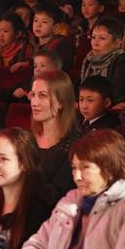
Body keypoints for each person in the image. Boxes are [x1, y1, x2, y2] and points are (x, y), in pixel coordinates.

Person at [27, 70, 80, 201]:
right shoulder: (27, 139)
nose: (34, 102)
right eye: (33, 95)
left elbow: (56, 195)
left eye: (43, 96)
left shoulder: (74, 146)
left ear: (61, 102)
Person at [80, 17, 125, 104]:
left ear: (117, 43)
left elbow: (116, 94)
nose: (95, 43)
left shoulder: (123, 62)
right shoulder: (89, 59)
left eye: (102, 38)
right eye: (93, 37)